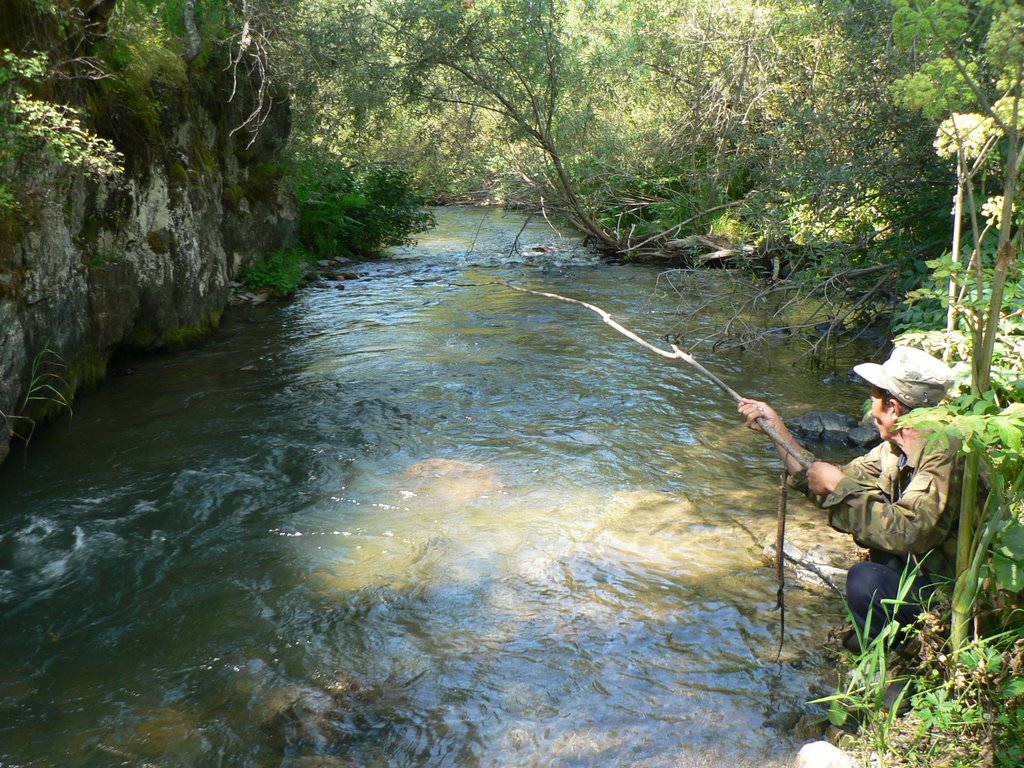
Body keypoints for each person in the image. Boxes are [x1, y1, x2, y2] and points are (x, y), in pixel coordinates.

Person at [738, 346, 960, 652]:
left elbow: (911, 533)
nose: (871, 407)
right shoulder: (892, 452)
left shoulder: (946, 454)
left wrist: (839, 484)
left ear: (893, 407)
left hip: (958, 599)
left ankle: (884, 656)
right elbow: (821, 479)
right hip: (928, 577)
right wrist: (776, 427)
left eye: (874, 395)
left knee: (864, 580)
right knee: (872, 537)